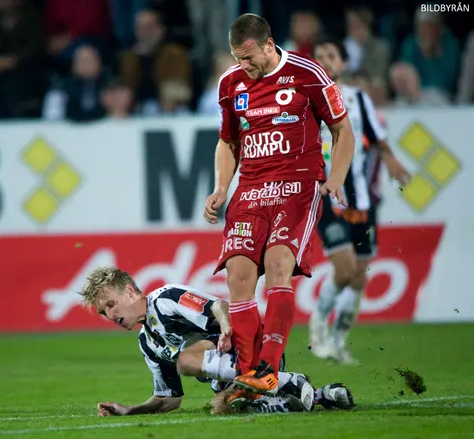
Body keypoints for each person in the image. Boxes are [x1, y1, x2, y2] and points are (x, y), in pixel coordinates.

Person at [203, 13, 355, 404]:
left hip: (296, 188)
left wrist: (335, 177)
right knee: (238, 276)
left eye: (249, 57)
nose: (244, 66)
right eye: (237, 58)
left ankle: (268, 370)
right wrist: (221, 187)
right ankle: (247, 377)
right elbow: (228, 142)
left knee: (276, 267)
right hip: (250, 190)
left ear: (269, 45)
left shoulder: (308, 74)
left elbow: (342, 129)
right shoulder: (230, 84)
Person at [79, 267, 355, 416]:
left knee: (186, 361)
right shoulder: (147, 343)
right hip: (233, 377)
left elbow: (217, 305)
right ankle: (322, 395)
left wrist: (225, 328)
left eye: (111, 304)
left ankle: (286, 381)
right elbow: (169, 399)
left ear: (129, 291)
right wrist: (130, 410)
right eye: (103, 312)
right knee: (222, 406)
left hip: (253, 353)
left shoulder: (165, 298)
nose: (110, 315)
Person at [308, 38, 411, 364]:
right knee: (344, 268)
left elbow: (378, 140)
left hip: (361, 200)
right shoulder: (306, 100)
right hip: (326, 196)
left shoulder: (358, 99)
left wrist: (392, 161)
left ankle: (337, 340)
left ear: (342, 63)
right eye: (320, 56)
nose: (326, 60)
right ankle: (317, 330)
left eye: (331, 55)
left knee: (359, 274)